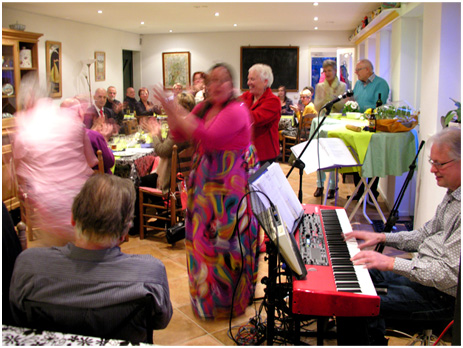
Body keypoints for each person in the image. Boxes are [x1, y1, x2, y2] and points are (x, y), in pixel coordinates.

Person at [152, 63, 260, 320]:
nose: (217, 85)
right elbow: (179, 133)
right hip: (203, 195)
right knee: (203, 248)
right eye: (212, 80)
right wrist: (171, 112)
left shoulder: (237, 110)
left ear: (231, 85)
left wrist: (175, 110)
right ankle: (206, 303)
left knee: (227, 248)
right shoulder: (205, 107)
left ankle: (229, 304)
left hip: (228, 197)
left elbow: (208, 137)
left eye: (223, 80)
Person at [9, 174, 173, 334]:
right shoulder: (150, 275)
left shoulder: (28, 266)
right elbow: (160, 321)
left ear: (73, 218)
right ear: (124, 233)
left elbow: (17, 316)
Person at [345, 127, 460, 345]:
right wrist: (382, 238)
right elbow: (424, 234)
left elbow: (449, 275)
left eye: (440, 164)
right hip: (424, 276)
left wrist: (390, 262)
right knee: (358, 275)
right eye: (431, 162)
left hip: (442, 296)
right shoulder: (453, 193)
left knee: (356, 304)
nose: (433, 170)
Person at [13, 76, 97, 247]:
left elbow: (19, 169)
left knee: (56, 255)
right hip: (80, 198)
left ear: (28, 99)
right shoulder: (71, 121)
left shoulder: (25, 125)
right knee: (84, 250)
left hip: (50, 204)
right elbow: (91, 161)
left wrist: (24, 190)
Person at [351, 59, 390, 201]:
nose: (356, 72)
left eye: (358, 69)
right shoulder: (357, 84)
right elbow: (355, 101)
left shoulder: (381, 84)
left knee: (371, 158)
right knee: (357, 157)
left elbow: (379, 105)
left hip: (372, 126)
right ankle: (358, 190)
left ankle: (371, 193)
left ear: (368, 70)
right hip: (357, 125)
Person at [140, 92, 193, 193]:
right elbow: (167, 148)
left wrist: (154, 134)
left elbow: (162, 151)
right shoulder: (192, 123)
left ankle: (160, 207)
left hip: (173, 179)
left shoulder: (180, 129)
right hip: (188, 177)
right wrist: (159, 135)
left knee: (140, 182)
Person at [313, 59, 348, 198]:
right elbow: (317, 106)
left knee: (334, 153)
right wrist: (328, 98)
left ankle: (333, 185)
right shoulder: (320, 86)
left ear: (335, 71)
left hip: (336, 122)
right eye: (325, 71)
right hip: (322, 121)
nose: (327, 73)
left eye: (329, 70)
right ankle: (320, 184)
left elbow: (342, 106)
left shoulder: (343, 86)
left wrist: (332, 99)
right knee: (319, 153)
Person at [240, 63, 281, 166]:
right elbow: (232, 106)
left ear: (265, 82)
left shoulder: (273, 101)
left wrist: (236, 112)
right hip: (246, 152)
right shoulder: (247, 96)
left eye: (252, 79)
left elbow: (254, 118)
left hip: (264, 155)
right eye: (248, 79)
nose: (248, 83)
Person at [61, 97, 115, 174]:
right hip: (95, 183)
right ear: (80, 114)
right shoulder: (94, 137)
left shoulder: (53, 138)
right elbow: (110, 162)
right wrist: (105, 139)